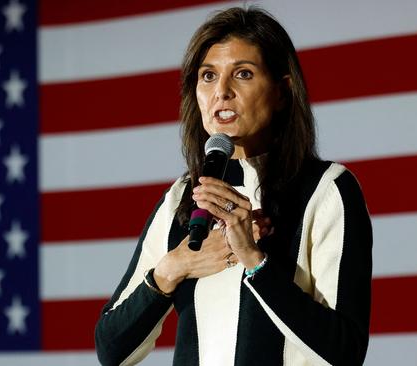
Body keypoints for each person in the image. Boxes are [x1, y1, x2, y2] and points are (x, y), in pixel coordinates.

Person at [94, 7, 372, 366]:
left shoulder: (328, 189)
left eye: (242, 74)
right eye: (208, 76)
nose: (221, 92)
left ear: (282, 92)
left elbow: (345, 352)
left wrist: (254, 260)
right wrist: (173, 267)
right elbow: (111, 350)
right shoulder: (181, 197)